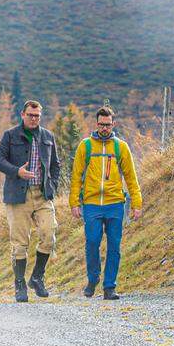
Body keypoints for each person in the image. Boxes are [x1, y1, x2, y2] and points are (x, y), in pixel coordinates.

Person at [70, 106, 144, 300]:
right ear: (96, 124)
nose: (104, 128)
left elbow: (131, 177)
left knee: (114, 246)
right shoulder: (85, 146)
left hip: (115, 204)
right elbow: (76, 176)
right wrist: (74, 203)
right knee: (92, 243)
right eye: (101, 124)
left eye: (108, 125)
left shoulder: (121, 147)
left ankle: (109, 287)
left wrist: (136, 203)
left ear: (113, 124)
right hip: (92, 204)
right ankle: (93, 279)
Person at [0, 100, 61, 302]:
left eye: (37, 116)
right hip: (18, 195)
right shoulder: (10, 135)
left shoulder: (48, 136)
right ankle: (20, 284)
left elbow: (55, 165)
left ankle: (37, 277)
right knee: (20, 243)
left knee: (49, 235)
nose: (34, 119)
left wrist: (52, 185)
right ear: (22, 114)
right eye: (30, 115)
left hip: (42, 195)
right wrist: (17, 172)